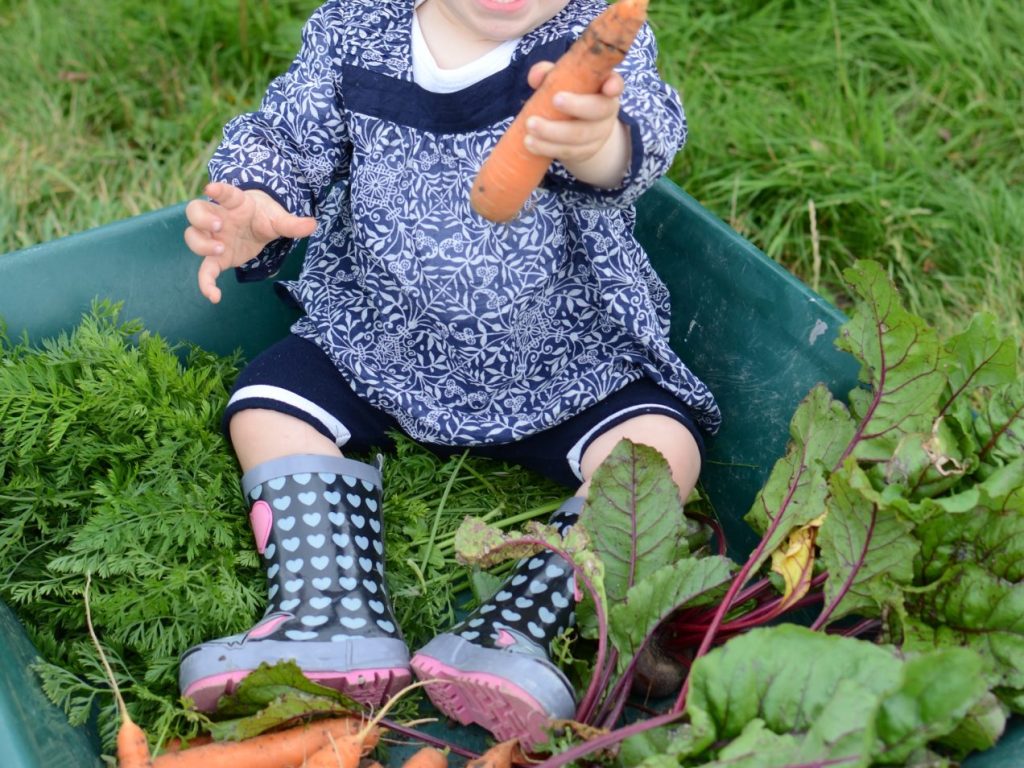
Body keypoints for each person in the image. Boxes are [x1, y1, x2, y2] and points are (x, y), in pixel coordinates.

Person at [178, 0, 720, 746]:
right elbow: (285, 137)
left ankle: (522, 625)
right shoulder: (354, 31)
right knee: (266, 405)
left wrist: (596, 141)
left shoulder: (591, 40)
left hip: (561, 357)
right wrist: (252, 206)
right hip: (380, 338)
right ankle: (330, 612)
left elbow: (643, 136)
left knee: (659, 445)